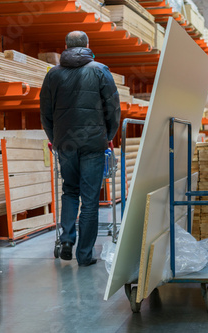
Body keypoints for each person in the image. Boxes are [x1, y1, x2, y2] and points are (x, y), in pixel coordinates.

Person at [40, 31, 121, 266]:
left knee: (69, 191)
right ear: (88, 45)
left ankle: (66, 240)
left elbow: (45, 112)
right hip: (93, 142)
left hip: (65, 142)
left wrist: (54, 138)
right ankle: (85, 255)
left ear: (65, 46)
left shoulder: (53, 74)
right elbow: (112, 108)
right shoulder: (100, 70)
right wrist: (108, 135)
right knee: (90, 199)